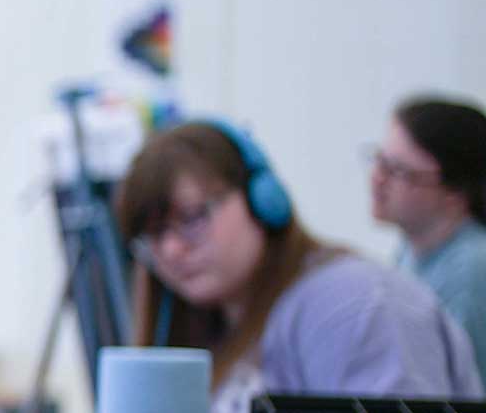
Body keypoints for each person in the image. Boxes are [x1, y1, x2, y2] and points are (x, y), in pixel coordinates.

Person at [116, 120, 481, 410]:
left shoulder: (351, 303)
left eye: (192, 217)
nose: (172, 249)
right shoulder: (214, 322)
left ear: (263, 200)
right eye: (155, 234)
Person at [374, 97, 486, 380]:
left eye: (398, 170)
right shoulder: (409, 252)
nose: (377, 179)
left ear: (455, 192)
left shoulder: (472, 271)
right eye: (379, 160)